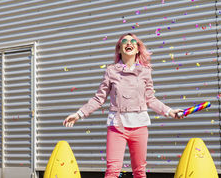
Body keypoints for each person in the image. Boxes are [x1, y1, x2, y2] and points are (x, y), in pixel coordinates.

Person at [63, 33, 183, 178]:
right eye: (124, 41)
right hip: (117, 126)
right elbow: (98, 98)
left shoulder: (145, 72)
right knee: (112, 171)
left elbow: (150, 99)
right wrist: (79, 114)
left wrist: (170, 111)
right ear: (119, 49)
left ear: (138, 49)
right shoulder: (111, 71)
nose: (128, 43)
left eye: (133, 41)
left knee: (139, 171)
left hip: (139, 125)